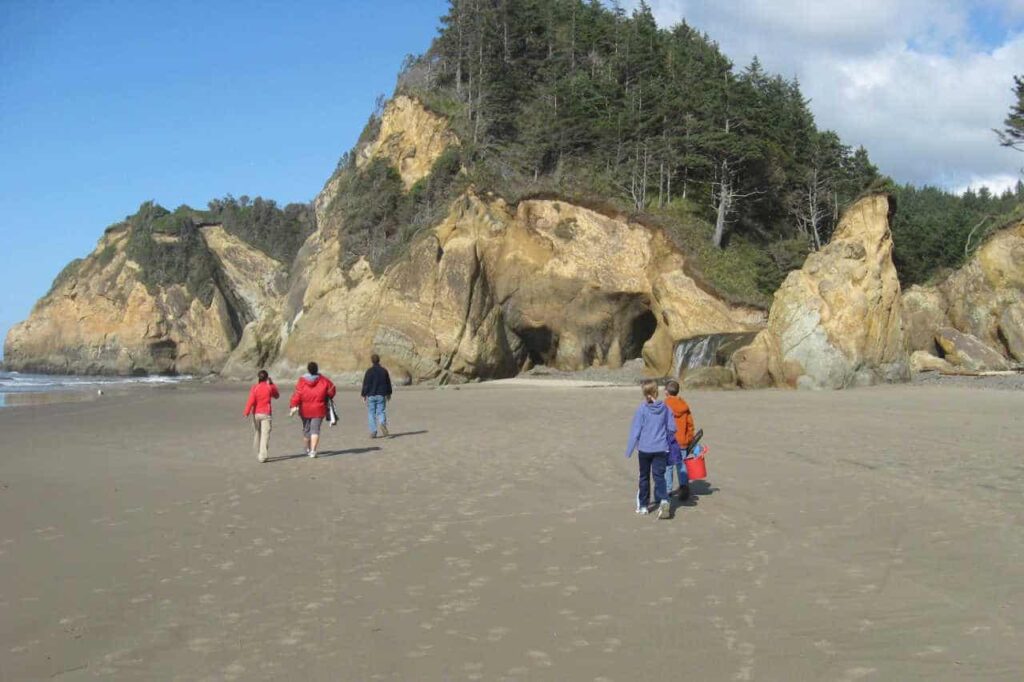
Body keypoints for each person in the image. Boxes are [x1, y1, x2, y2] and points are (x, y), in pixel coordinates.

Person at [624, 379, 676, 519]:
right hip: (661, 448)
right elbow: (672, 428)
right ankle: (664, 500)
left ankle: (643, 506)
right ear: (656, 392)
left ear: (644, 393)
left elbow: (635, 431)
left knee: (644, 477)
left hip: (645, 449)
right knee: (659, 476)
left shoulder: (642, 409)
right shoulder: (665, 408)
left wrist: (629, 450)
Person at [289, 361, 337, 458]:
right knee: (315, 430)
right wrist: (327, 396)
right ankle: (313, 451)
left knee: (306, 429)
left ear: (308, 369)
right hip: (319, 409)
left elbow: (297, 395)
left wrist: (293, 405)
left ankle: (307, 448)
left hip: (305, 409)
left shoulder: (302, 381)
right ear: (317, 369)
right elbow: (332, 390)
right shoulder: (324, 380)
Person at [663, 379, 695, 501]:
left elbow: (662, 424)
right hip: (682, 441)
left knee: (668, 466)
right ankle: (684, 489)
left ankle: (667, 490)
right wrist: (689, 438)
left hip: (669, 441)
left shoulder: (665, 405)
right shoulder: (684, 406)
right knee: (681, 466)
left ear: (666, 392)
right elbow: (690, 425)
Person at [243, 370, 279, 463]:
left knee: (257, 433)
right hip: (266, 413)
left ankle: (258, 452)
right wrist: (272, 384)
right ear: (267, 378)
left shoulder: (255, 387)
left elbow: (251, 400)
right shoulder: (269, 387)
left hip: (256, 414)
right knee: (265, 435)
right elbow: (276, 395)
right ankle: (262, 456)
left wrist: (246, 411)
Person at [361, 353, 393, 438]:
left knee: (371, 413)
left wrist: (364, 394)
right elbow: (388, 383)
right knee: (381, 411)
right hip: (381, 394)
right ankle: (382, 423)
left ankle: (373, 431)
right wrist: (389, 393)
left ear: (372, 361)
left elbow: (366, 384)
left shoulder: (369, 371)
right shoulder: (384, 371)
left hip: (371, 394)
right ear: (379, 360)